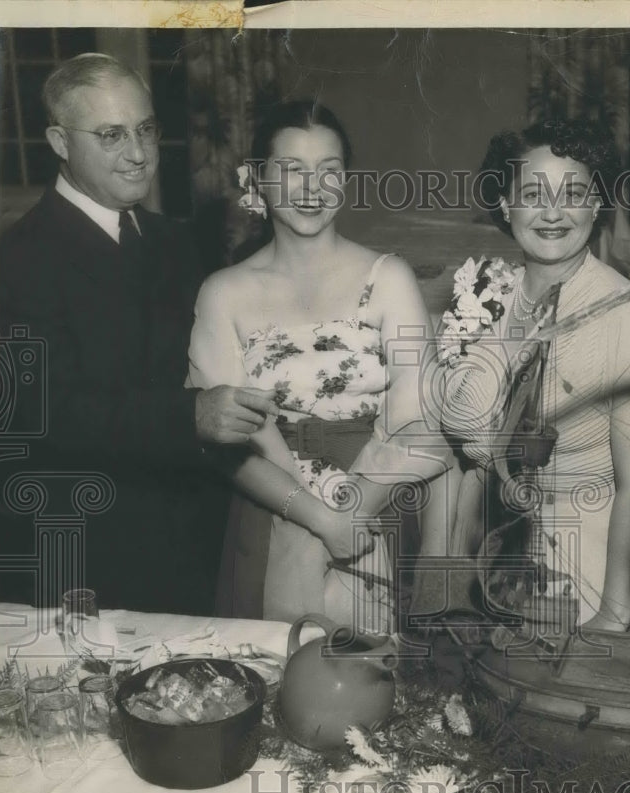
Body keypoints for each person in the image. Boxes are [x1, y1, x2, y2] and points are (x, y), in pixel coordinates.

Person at [0, 53, 276, 615]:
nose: (140, 154)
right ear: (59, 141)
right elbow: (48, 412)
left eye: (145, 129)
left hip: (188, 546)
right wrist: (188, 415)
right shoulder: (14, 259)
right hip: (84, 560)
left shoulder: (175, 239)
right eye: (112, 136)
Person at [188, 100, 451, 629]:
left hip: (376, 511)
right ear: (257, 179)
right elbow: (218, 440)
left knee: (376, 690)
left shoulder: (389, 277)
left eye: (328, 171)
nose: (312, 189)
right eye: (291, 170)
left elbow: (420, 422)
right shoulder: (224, 292)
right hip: (271, 512)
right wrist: (317, 517)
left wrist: (350, 514)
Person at [429, 119, 630, 631]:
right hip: (486, 562)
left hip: (582, 573)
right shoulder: (489, 295)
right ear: (505, 204)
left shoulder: (628, 317)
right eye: (533, 193)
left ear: (595, 206)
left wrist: (612, 615)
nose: (553, 212)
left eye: (575, 194)